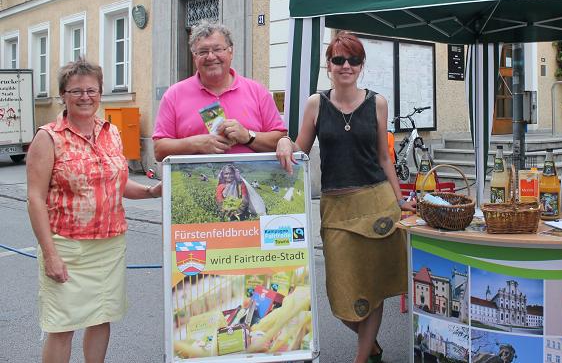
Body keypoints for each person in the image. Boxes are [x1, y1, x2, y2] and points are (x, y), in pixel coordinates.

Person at [276, 31, 415, 363]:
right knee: (342, 298)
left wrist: (399, 201)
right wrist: (282, 141)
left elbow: (384, 157)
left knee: (375, 289)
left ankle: (363, 356)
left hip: (378, 206)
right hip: (336, 208)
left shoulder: (377, 103)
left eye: (353, 59)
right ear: (329, 65)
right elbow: (299, 153)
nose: (346, 65)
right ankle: (372, 346)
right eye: (339, 59)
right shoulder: (316, 104)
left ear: (361, 65)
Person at [26, 59, 163, 363]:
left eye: (92, 90)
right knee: (61, 326)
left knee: (101, 318)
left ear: (101, 92)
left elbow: (116, 184)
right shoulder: (48, 138)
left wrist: (152, 191)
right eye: (76, 91)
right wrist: (50, 254)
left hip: (109, 245)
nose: (85, 97)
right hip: (66, 245)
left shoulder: (111, 133)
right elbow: (35, 198)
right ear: (63, 94)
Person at [153, 22, 286, 160]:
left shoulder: (257, 92)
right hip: (195, 181)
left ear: (230, 52)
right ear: (194, 57)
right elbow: (159, 150)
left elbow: (280, 140)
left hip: (250, 180)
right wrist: (194, 144)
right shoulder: (174, 95)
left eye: (217, 49)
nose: (210, 57)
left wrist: (248, 136)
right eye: (203, 52)